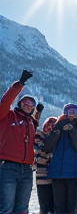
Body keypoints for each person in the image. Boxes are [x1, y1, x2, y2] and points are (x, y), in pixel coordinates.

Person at [0, 69, 40, 214]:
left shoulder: (30, 123)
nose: (28, 105)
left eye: (31, 104)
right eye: (25, 102)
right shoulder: (7, 116)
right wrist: (20, 84)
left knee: (22, 209)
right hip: (8, 168)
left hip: (27, 170)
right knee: (6, 208)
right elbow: (5, 101)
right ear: (19, 103)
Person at [42, 103, 77, 214]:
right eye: (69, 112)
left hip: (74, 173)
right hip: (56, 173)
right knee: (59, 207)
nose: (71, 115)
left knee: (72, 207)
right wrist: (57, 131)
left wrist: (72, 130)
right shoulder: (58, 126)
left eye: (74, 112)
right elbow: (47, 147)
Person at [34, 116, 57, 214]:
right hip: (42, 176)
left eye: (53, 125)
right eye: (48, 124)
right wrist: (50, 156)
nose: (50, 126)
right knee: (44, 206)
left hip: (56, 177)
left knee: (55, 206)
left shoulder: (58, 138)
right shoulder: (39, 136)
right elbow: (38, 154)